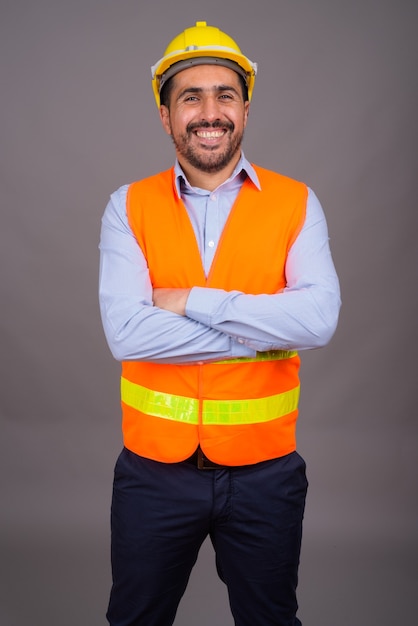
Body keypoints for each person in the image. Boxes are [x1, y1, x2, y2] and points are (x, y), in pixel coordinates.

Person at [99, 21, 341, 626]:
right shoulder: (127, 206)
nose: (211, 112)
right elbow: (126, 334)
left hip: (266, 475)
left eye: (224, 95)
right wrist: (263, 329)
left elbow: (318, 320)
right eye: (191, 97)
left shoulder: (296, 202)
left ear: (245, 109)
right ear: (166, 117)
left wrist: (190, 301)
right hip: (154, 474)